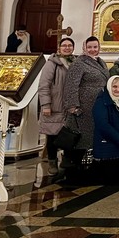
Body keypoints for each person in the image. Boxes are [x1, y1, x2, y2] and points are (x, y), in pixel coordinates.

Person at [64, 37, 110, 168]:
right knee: (83, 137)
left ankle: (92, 165)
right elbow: (71, 85)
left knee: (94, 135)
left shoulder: (102, 62)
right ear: (84, 48)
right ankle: (78, 167)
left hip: (98, 105)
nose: (92, 50)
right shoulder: (79, 63)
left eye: (95, 47)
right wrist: (73, 106)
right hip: (84, 107)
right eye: (89, 47)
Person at [38, 37, 75, 175]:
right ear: (59, 48)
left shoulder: (75, 62)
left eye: (69, 45)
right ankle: (52, 161)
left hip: (69, 107)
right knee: (52, 136)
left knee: (68, 135)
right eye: (64, 45)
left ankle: (66, 160)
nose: (67, 48)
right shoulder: (52, 63)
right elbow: (43, 85)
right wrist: (46, 105)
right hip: (55, 106)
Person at [92, 76, 119, 184]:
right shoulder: (101, 102)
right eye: (114, 87)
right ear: (109, 87)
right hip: (106, 153)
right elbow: (103, 126)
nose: (118, 89)